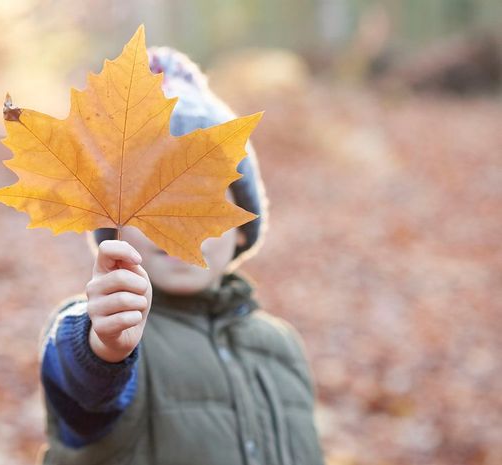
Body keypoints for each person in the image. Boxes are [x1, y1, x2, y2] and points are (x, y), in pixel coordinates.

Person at [38, 46, 325, 465]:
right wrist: (104, 348)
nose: (175, 225)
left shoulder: (282, 347)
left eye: (202, 201)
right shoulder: (110, 326)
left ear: (242, 231)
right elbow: (83, 391)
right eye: (150, 202)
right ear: (112, 227)